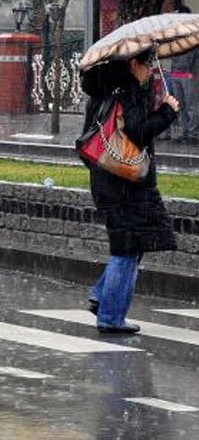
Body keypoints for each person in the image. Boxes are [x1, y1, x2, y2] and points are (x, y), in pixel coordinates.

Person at [80, 49, 179, 334]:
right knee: (127, 247)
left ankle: (103, 295)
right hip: (127, 182)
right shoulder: (129, 88)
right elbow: (137, 132)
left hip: (106, 178)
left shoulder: (103, 87)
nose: (151, 71)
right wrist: (167, 112)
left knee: (132, 242)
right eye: (148, 65)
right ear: (134, 63)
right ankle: (110, 316)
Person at [168, 5, 199, 144]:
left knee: (192, 106)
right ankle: (184, 133)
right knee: (180, 106)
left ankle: (193, 134)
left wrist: (195, 72)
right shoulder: (175, 34)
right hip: (176, 74)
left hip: (189, 74)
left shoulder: (194, 33)